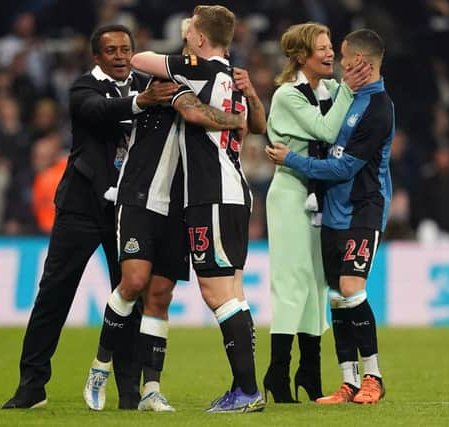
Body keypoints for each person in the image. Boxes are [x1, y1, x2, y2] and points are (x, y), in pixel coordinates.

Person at [2, 24, 179, 410]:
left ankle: (129, 394)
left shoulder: (151, 86)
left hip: (128, 211)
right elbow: (97, 111)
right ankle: (32, 386)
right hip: (81, 207)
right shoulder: (84, 88)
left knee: (128, 297)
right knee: (53, 296)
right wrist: (141, 102)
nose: (118, 55)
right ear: (96, 57)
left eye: (125, 49)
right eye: (111, 50)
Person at [82, 34, 249, 413]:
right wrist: (235, 120)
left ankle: (150, 390)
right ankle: (100, 366)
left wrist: (242, 106)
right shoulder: (157, 85)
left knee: (160, 296)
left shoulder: (212, 87)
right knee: (134, 282)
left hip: (180, 205)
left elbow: (214, 112)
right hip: (140, 197)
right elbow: (191, 111)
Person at [122, 5, 266, 413]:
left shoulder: (198, 69)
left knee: (216, 292)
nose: (187, 39)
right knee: (233, 292)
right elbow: (256, 125)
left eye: (191, 34)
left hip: (211, 194)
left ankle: (247, 391)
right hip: (235, 192)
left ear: (200, 40)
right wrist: (245, 103)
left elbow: (138, 59)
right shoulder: (233, 77)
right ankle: (245, 388)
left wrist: (181, 58)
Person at [266, 28, 393, 405]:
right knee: (336, 295)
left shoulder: (376, 107)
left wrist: (292, 159)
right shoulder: (340, 95)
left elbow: (343, 167)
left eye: (339, 52)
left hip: (361, 209)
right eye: (325, 49)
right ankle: (348, 381)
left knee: (351, 289)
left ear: (360, 63)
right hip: (330, 211)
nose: (336, 58)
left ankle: (373, 376)